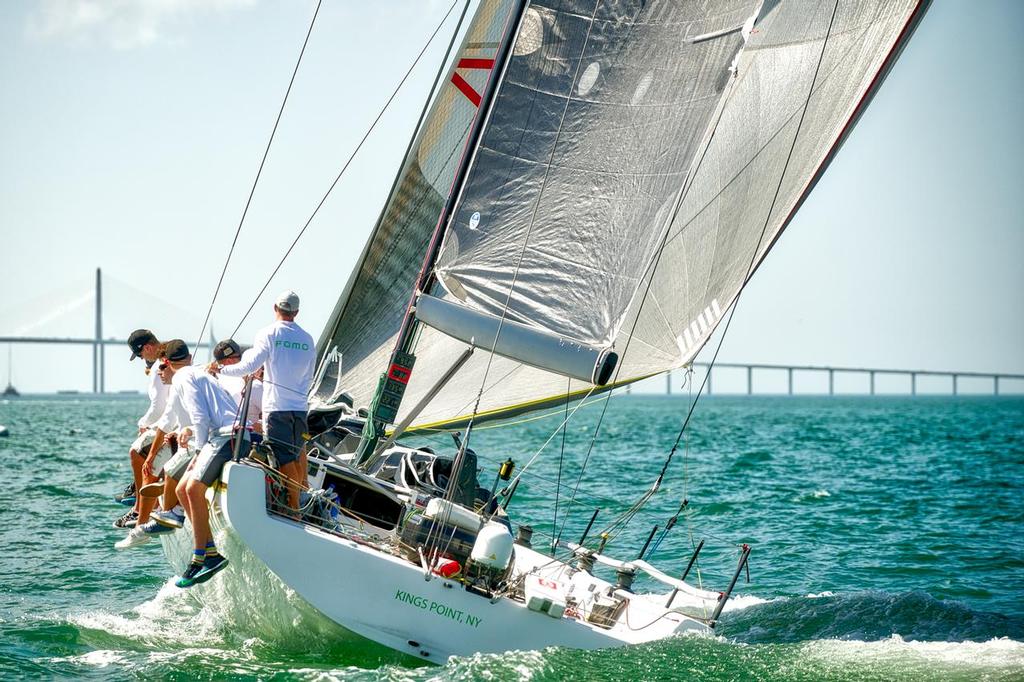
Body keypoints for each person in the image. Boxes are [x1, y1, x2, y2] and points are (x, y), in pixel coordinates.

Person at [209, 291, 314, 514]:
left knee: (284, 458)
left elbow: (249, 367)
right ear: (296, 312)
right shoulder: (307, 338)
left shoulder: (268, 333)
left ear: (275, 308)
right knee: (295, 454)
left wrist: (221, 369)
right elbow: (309, 376)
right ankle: (297, 501)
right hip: (300, 409)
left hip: (277, 409)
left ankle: (294, 509)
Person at [151, 340, 243, 587]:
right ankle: (211, 553)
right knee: (181, 489)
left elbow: (200, 415)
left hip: (227, 437)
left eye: (161, 367)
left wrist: (199, 452)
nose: (160, 373)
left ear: (167, 363)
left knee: (192, 488)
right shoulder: (197, 373)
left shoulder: (181, 378)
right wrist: (193, 433)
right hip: (227, 433)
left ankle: (198, 557)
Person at [114, 329, 168, 529]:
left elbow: (159, 405)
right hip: (175, 422)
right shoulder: (170, 357)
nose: (141, 359)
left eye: (140, 354)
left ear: (148, 348)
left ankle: (141, 507)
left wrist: (143, 424)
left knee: (136, 452)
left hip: (172, 425)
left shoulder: (158, 368)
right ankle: (143, 495)